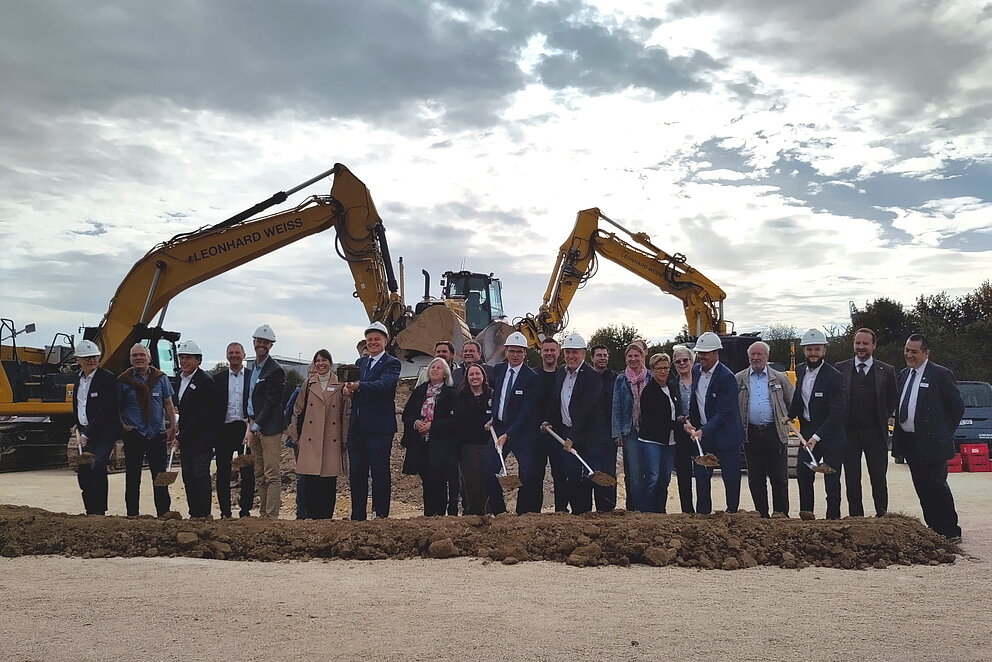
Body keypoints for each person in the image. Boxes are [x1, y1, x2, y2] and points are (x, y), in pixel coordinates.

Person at [891, 333, 964, 541]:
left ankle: (950, 530)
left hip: (933, 444)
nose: (909, 355)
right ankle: (933, 528)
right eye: (907, 350)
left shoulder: (940, 375)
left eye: (914, 351)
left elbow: (957, 408)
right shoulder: (905, 374)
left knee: (937, 486)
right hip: (911, 442)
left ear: (926, 352)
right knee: (922, 487)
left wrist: (944, 433)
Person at [343, 321, 401, 520]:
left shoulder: (392, 363)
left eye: (377, 339)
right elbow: (353, 388)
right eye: (370, 340)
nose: (373, 343)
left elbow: (383, 385)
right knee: (357, 474)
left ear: (385, 341)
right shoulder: (361, 364)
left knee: (379, 472)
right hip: (357, 427)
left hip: (379, 428)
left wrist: (358, 386)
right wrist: (348, 390)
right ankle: (357, 514)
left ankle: (380, 513)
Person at [837, 328, 898, 517]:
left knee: (878, 478)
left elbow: (892, 399)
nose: (861, 347)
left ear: (874, 345)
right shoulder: (840, 368)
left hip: (875, 433)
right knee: (852, 478)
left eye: (865, 344)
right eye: (858, 343)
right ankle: (856, 517)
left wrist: (882, 417)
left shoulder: (886, 371)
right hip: (849, 434)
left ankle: (882, 516)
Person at [541, 333, 604, 515]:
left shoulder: (592, 377)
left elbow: (586, 410)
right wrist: (548, 420)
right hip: (567, 433)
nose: (571, 356)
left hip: (586, 437)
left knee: (585, 480)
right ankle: (573, 516)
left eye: (575, 352)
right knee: (571, 477)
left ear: (583, 353)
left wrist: (572, 438)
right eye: (568, 352)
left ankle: (583, 515)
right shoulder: (561, 372)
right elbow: (556, 400)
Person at [787, 328, 846, 520]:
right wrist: (790, 415)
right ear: (804, 351)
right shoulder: (801, 370)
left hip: (830, 435)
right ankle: (807, 516)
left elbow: (837, 413)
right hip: (808, 432)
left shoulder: (834, 376)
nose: (813, 353)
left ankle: (833, 520)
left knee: (831, 480)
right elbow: (799, 397)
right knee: (804, 476)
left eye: (817, 349)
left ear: (824, 351)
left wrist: (816, 437)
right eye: (809, 349)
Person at [684, 332, 744, 514]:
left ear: (716, 353)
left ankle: (731, 514)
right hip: (704, 437)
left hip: (727, 437)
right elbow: (695, 401)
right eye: (699, 353)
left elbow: (724, 412)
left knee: (731, 478)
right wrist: (689, 421)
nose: (701, 356)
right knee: (702, 479)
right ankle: (703, 516)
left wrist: (704, 430)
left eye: (705, 353)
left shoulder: (727, 378)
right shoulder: (695, 371)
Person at [735, 340, 794, 518]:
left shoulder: (780, 378)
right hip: (751, 434)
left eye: (759, 354)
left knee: (779, 478)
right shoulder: (740, 379)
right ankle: (761, 515)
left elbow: (792, 402)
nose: (756, 357)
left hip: (775, 433)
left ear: (767, 357)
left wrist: (787, 419)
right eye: (753, 354)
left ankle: (781, 514)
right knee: (756, 478)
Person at [287, 350, 348, 519]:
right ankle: (313, 519)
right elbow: (297, 411)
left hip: (331, 438)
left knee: (328, 482)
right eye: (318, 361)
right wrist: (295, 437)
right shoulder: (308, 384)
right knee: (311, 481)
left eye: (324, 360)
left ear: (330, 362)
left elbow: (345, 412)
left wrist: (344, 438)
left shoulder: (340, 383)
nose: (321, 364)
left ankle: (326, 519)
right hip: (310, 438)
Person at [118, 343, 177, 517]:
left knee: (160, 477)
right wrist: (123, 425)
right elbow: (116, 407)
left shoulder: (161, 378)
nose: (138, 358)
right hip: (134, 434)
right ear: (130, 360)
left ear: (149, 358)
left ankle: (163, 513)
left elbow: (168, 404)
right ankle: (132, 515)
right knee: (132, 477)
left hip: (156, 434)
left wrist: (172, 426)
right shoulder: (123, 380)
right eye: (134, 355)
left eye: (141, 355)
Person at [488, 332, 540, 514]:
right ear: (506, 351)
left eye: (519, 351)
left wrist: (508, 434)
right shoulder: (499, 370)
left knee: (527, 473)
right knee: (489, 469)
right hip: (500, 426)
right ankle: (499, 512)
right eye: (512, 351)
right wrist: (492, 417)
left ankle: (523, 513)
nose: (515, 355)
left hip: (522, 432)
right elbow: (496, 397)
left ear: (525, 353)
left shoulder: (531, 377)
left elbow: (526, 411)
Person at [401, 357, 459, 516]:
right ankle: (428, 515)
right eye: (432, 367)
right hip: (421, 444)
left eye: (438, 368)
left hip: (441, 445)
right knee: (426, 481)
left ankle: (440, 514)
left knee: (439, 481)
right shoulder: (419, 391)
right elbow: (407, 414)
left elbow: (456, 420)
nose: (434, 370)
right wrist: (416, 423)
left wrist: (433, 426)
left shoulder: (450, 394)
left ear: (445, 373)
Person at [69, 340, 121, 515]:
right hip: (85, 431)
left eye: (94, 357)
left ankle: (99, 510)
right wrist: (77, 424)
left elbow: (105, 410)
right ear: (78, 360)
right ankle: (89, 509)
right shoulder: (78, 379)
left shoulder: (107, 378)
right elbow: (78, 404)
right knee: (83, 469)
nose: (91, 360)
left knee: (97, 465)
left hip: (104, 432)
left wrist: (87, 434)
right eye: (87, 358)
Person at [246, 324, 287, 519]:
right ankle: (263, 514)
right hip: (254, 425)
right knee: (259, 473)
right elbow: (251, 400)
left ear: (270, 345)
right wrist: (249, 423)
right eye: (259, 341)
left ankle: (271, 516)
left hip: (269, 428)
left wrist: (254, 426)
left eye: (265, 342)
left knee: (272, 474)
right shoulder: (253, 369)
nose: (261, 345)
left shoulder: (274, 371)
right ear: (254, 342)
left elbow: (271, 404)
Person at [633, 353, 680, 513]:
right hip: (652, 440)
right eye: (659, 368)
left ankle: (660, 511)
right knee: (652, 478)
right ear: (652, 370)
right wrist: (679, 426)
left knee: (665, 478)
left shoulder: (672, 387)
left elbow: (674, 411)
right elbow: (655, 421)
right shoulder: (649, 392)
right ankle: (646, 512)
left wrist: (680, 419)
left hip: (670, 441)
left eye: (666, 368)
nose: (663, 371)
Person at [174, 340, 215, 519]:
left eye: (188, 358)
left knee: (200, 476)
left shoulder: (205, 381)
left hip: (201, 439)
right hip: (186, 438)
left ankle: (204, 514)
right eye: (181, 357)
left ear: (198, 360)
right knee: (188, 477)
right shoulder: (179, 380)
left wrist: (181, 436)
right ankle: (194, 513)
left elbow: (203, 414)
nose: (184, 361)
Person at [213, 342, 254, 518]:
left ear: (244, 355)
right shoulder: (218, 378)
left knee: (247, 472)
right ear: (227, 355)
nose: (234, 355)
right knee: (223, 471)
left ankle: (245, 511)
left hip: (246, 430)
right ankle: (225, 512)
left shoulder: (252, 377)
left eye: (237, 352)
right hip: (224, 430)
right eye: (231, 352)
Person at [612, 343, 648, 511]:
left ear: (643, 357)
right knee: (634, 473)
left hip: (649, 431)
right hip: (630, 431)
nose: (633, 359)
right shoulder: (621, 379)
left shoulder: (650, 377)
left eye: (636, 356)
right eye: (630, 356)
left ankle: (650, 507)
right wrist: (616, 432)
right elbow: (616, 407)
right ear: (626, 358)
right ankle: (637, 508)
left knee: (649, 470)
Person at [534, 337, 567, 511]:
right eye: (545, 350)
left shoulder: (565, 375)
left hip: (559, 434)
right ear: (540, 352)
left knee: (561, 475)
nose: (549, 353)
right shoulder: (533, 375)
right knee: (535, 475)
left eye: (552, 350)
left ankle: (561, 510)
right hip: (537, 435)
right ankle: (534, 513)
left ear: (558, 352)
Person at [456, 364, 492, 515]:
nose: (475, 377)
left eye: (478, 374)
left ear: (483, 376)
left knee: (486, 479)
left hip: (487, 444)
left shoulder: (492, 395)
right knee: (470, 481)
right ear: (467, 378)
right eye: (471, 375)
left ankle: (487, 512)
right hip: (467, 445)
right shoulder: (460, 397)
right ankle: (472, 513)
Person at [284, 362, 317, 519]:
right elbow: (289, 413)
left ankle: (315, 510)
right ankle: (301, 512)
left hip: (319, 441)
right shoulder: (299, 392)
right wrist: (293, 436)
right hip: (301, 441)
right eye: (311, 373)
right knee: (303, 476)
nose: (313, 376)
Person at [588, 344, 618, 511]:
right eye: (599, 355)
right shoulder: (586, 378)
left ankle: (607, 509)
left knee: (608, 474)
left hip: (608, 435)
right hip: (589, 436)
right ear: (592, 358)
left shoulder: (615, 378)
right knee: (591, 473)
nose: (602, 358)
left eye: (605, 355)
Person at [669, 345, 697, 514]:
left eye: (685, 360)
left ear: (691, 361)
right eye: (678, 361)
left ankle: (703, 510)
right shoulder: (672, 385)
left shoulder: (701, 381)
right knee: (684, 475)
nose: (682, 364)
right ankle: (688, 511)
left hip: (700, 432)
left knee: (702, 475)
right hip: (681, 435)